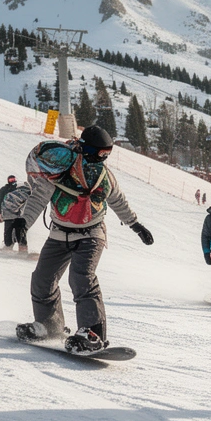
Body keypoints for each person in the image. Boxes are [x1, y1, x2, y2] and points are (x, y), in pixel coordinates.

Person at [16, 125, 153, 353]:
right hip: (59, 233)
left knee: (81, 277)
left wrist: (135, 224)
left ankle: (92, 334)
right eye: (101, 154)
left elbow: (118, 200)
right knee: (42, 279)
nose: (104, 158)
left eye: (108, 154)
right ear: (88, 149)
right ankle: (49, 326)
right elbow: (39, 197)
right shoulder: (60, 169)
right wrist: (23, 222)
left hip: (91, 234)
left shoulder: (104, 176)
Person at [0, 175, 30, 252]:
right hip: (8, 214)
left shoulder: (19, 188)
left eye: (13, 179)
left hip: (19, 214)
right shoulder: (4, 189)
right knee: (8, 231)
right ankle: (8, 246)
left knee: (20, 230)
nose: (12, 181)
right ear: (8, 180)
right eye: (11, 179)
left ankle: (23, 248)